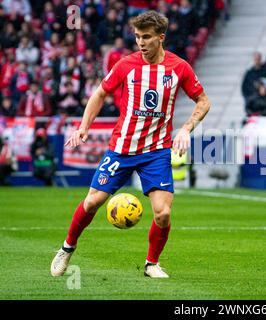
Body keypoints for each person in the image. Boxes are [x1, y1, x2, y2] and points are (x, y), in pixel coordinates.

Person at [50, 11, 211, 278]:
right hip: (122, 149)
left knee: (163, 214)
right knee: (92, 203)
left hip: (156, 152)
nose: (141, 42)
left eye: (146, 37)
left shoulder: (179, 67)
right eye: (137, 37)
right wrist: (83, 127)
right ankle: (67, 248)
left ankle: (151, 264)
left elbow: (203, 101)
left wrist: (185, 128)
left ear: (161, 37)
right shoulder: (126, 65)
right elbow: (100, 93)